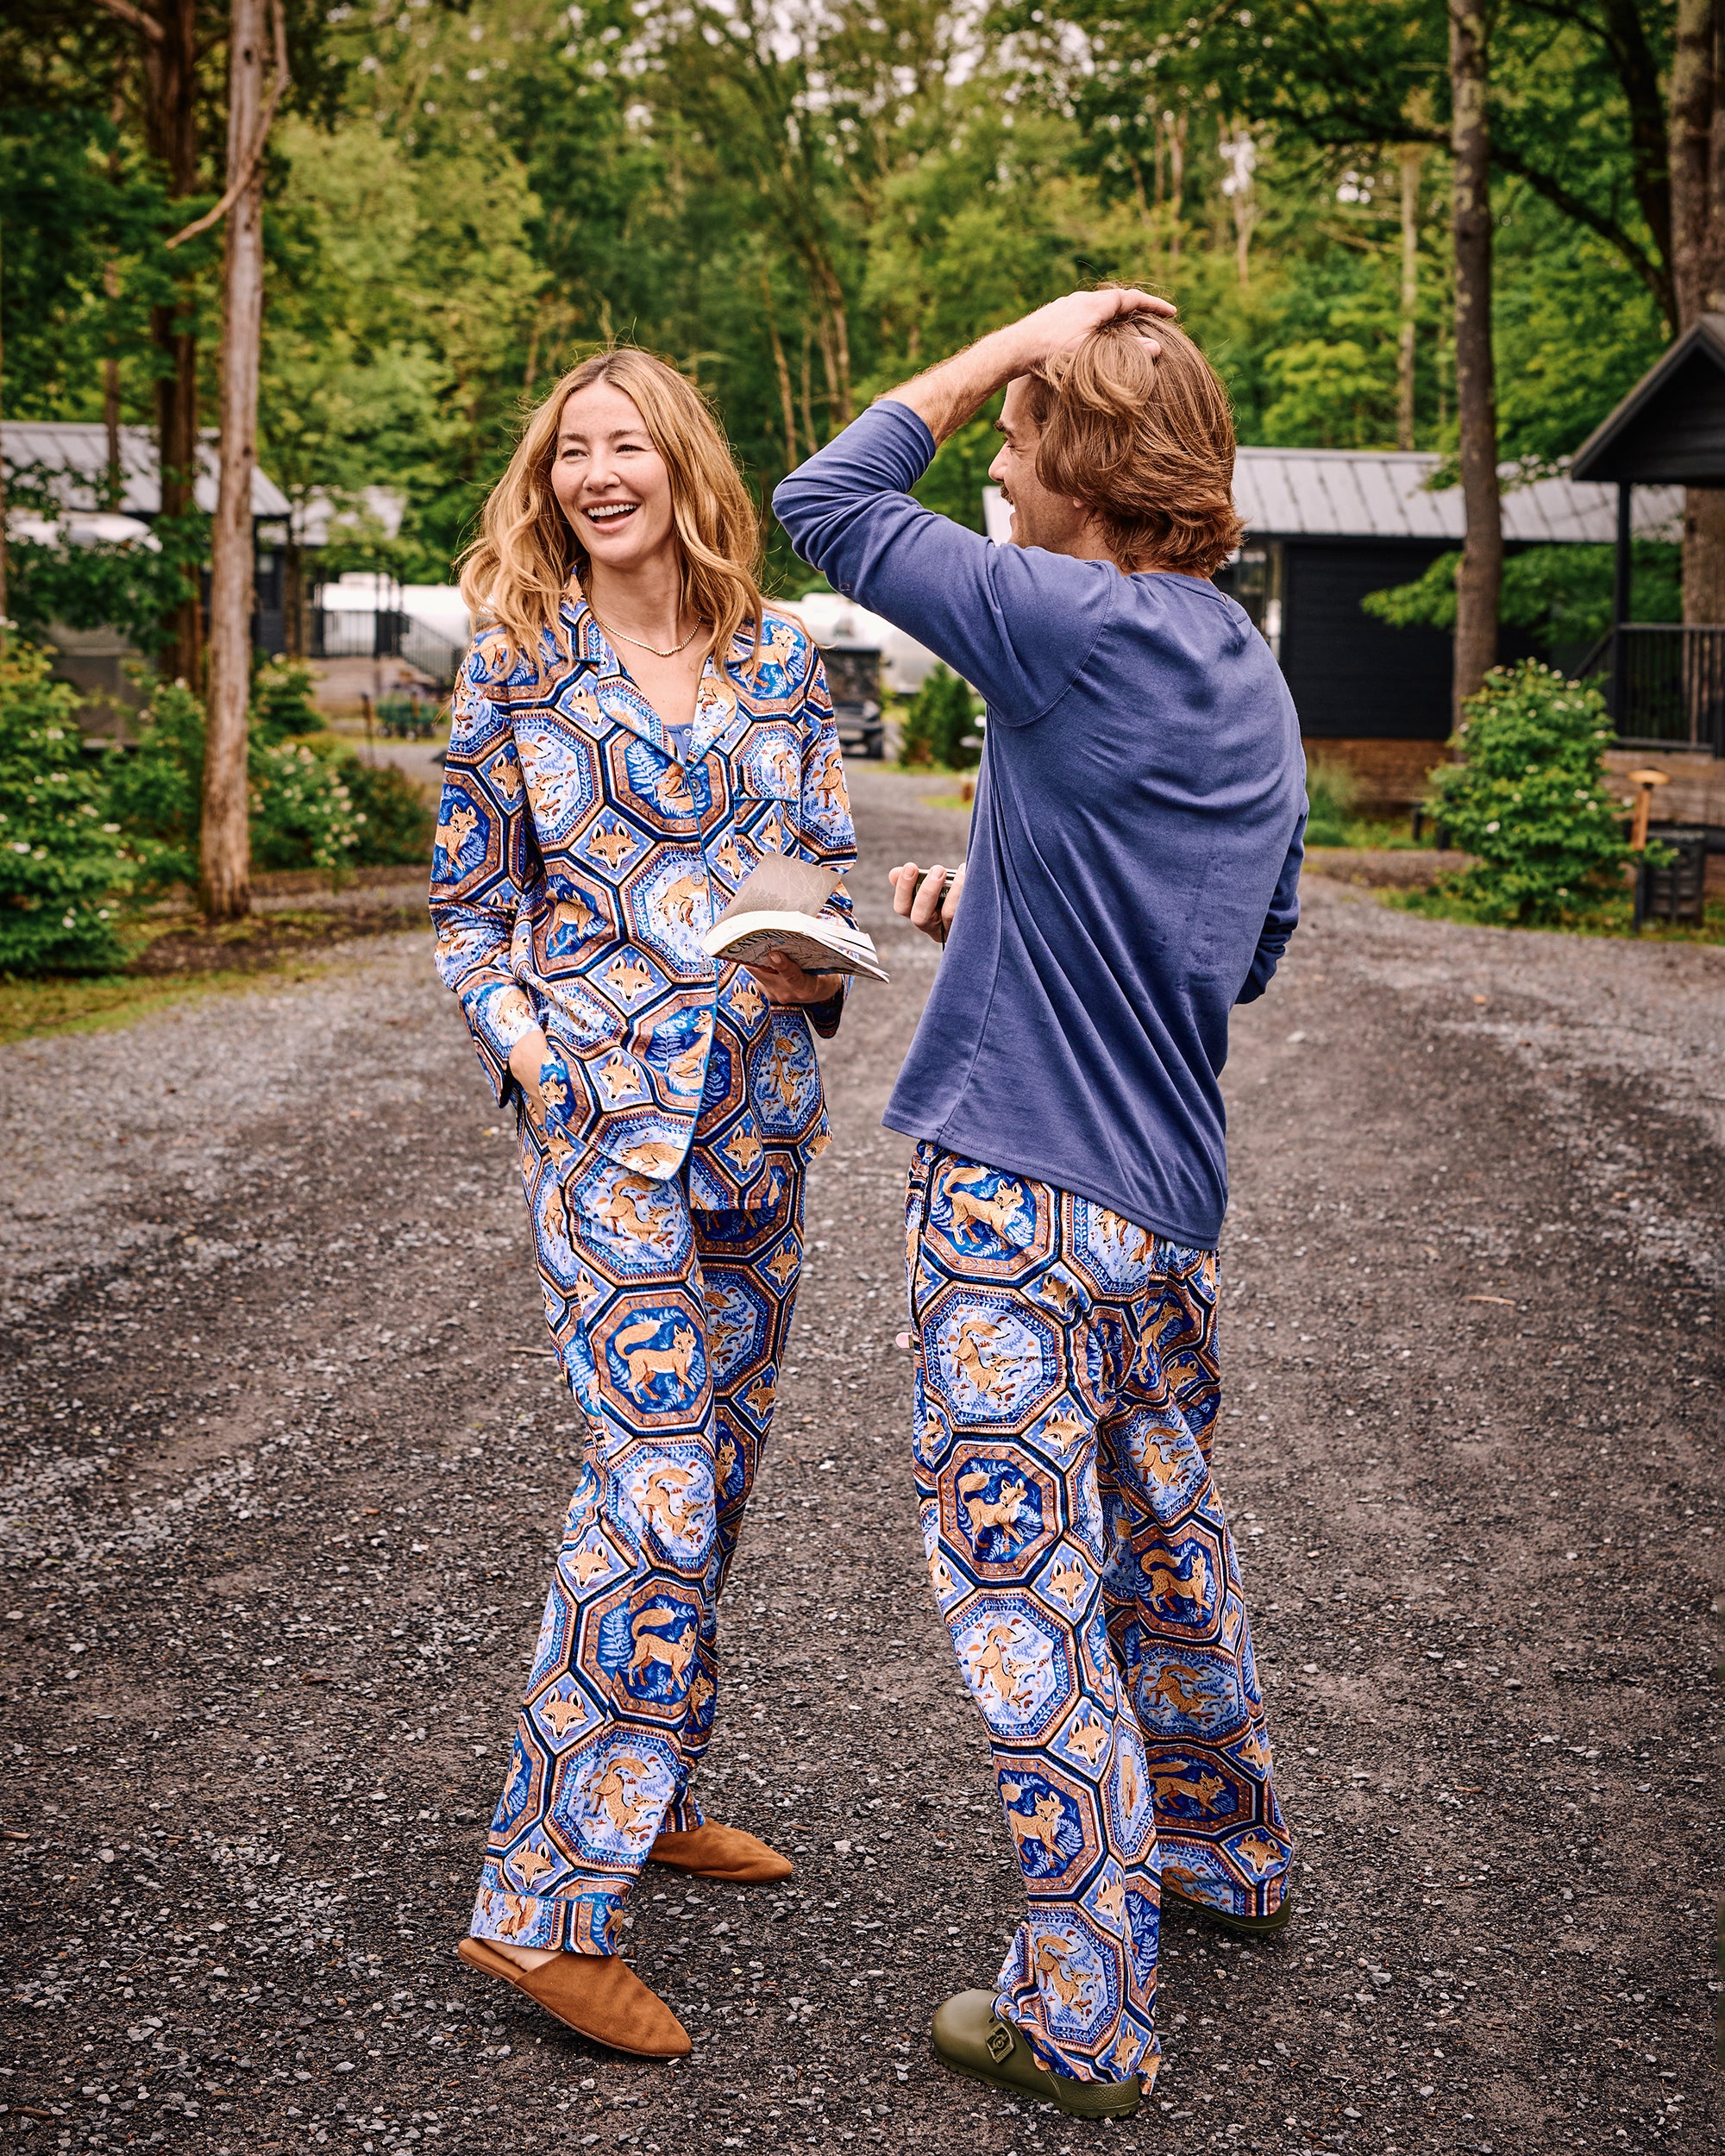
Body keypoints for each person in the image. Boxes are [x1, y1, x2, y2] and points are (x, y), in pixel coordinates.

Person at [773, 291, 1304, 2120]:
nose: (995, 464)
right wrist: (1000, 896)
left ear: (1084, 463)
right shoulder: (1244, 667)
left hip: (1016, 1204)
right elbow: (1240, 946)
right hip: (1162, 1204)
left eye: (1018, 435)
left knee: (1025, 1597)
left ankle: (1081, 2010)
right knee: (1160, 1537)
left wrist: (1022, 334)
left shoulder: (1062, 619)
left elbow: (826, 500)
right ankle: (1225, 1850)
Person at [430, 347, 855, 2059]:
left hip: (757, 1127)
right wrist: (536, 1058)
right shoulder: (514, 665)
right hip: (603, 1136)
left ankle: (652, 1784)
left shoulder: (782, 654)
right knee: (656, 1483)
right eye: (571, 452)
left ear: (684, 464)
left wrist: (813, 955)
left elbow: (819, 865)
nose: (598, 473)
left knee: (719, 1481)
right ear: (548, 484)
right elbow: (469, 916)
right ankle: (541, 1908)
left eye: (627, 445)